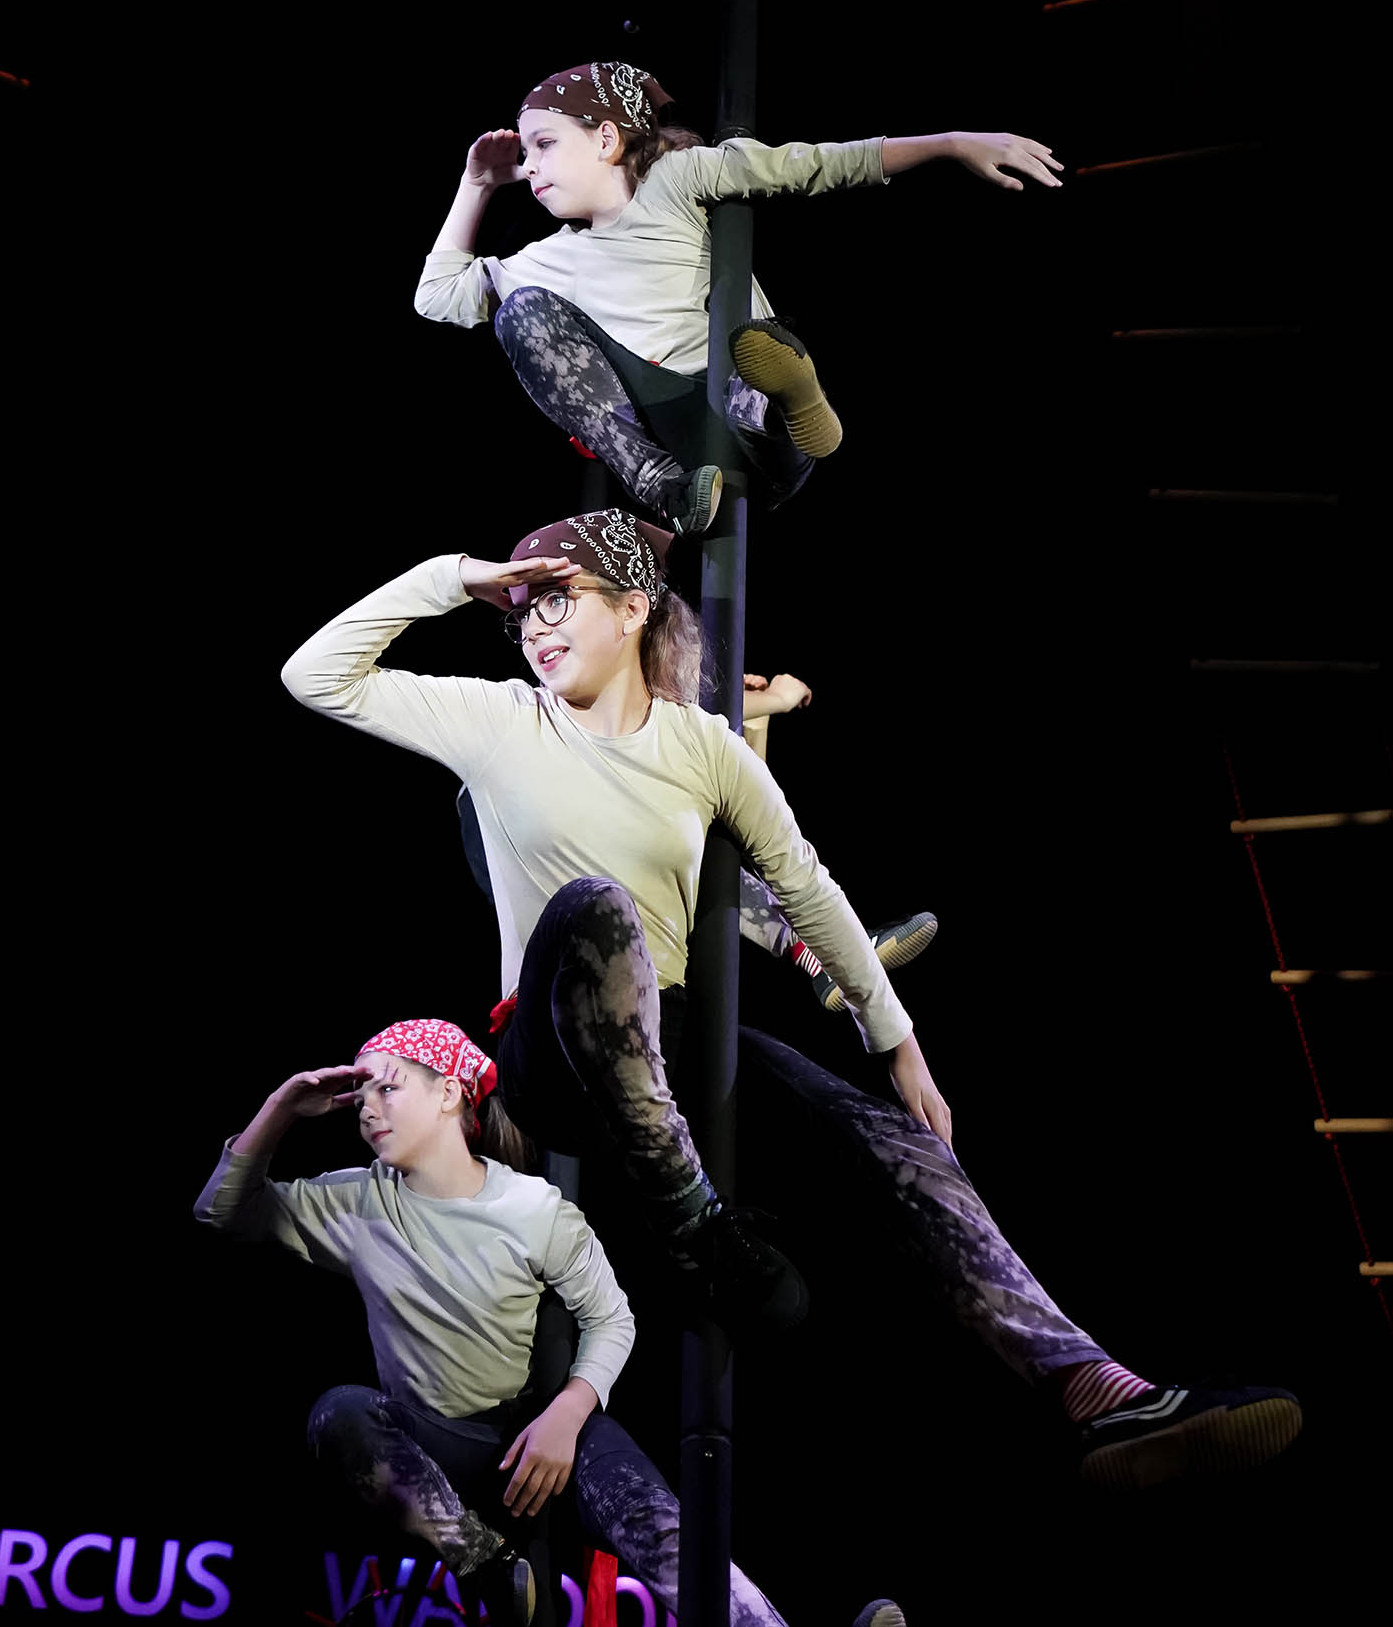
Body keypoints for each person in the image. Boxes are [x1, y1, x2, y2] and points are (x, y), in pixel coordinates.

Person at [279, 511, 1303, 1488]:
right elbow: (314, 674)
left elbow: (805, 886)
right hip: (551, 1054)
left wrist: (895, 1039)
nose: (535, 626)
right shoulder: (500, 720)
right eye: (522, 611)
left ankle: (1096, 1389)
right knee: (594, 908)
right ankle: (691, 1216)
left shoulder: (701, 746)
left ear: (632, 609)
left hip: (671, 1046)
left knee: (896, 1146)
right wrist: (461, 576)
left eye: (560, 599)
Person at [194, 1018, 907, 1627]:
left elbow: (612, 1317)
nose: (367, 1108)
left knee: (661, 1528)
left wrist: (567, 1414)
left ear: (448, 1093)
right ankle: (486, 1567)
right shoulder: (357, 1202)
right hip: (438, 1452)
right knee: (338, 1413)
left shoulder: (532, 1208)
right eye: (361, 1094)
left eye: (388, 1087)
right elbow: (221, 1212)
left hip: (540, 1437)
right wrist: (282, 1108)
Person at [414, 62, 1063, 530]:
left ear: (606, 139)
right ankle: (663, 486)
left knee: (751, 354)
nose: (528, 165)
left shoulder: (676, 178)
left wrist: (949, 144)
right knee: (522, 313)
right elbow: (436, 296)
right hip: (677, 445)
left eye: (544, 145)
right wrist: (477, 184)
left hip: (739, 404)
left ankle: (794, 405)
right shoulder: (545, 262)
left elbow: (813, 165)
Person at [457, 666, 937, 1014]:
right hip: (525, 848)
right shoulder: (564, 717)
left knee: (704, 845)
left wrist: (753, 722)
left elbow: (735, 826)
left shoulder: (646, 736)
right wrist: (773, 699)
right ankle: (816, 954)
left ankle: (815, 955)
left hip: (585, 892)